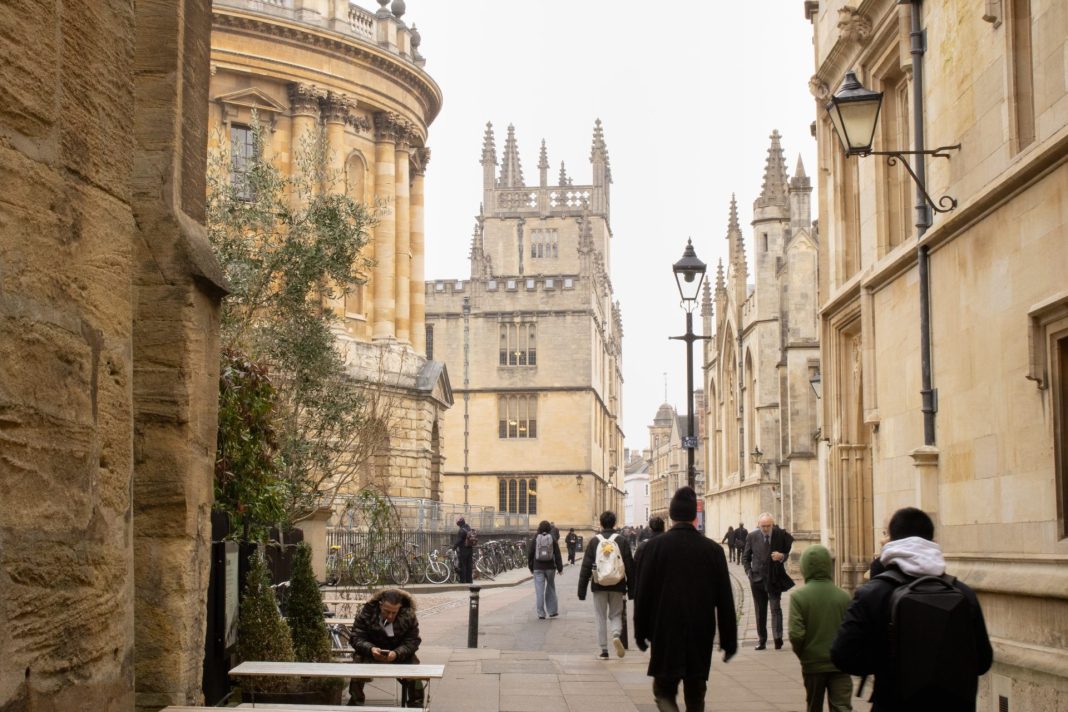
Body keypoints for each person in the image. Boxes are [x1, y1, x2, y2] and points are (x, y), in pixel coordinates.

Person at [831, 507, 993, 711]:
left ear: (892, 541)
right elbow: (983, 662)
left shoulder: (872, 593)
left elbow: (842, 656)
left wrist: (886, 662)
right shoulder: (963, 592)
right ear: (931, 540)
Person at [634, 487, 737, 712]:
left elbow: (643, 594)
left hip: (664, 630)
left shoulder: (653, 548)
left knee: (663, 691)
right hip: (699, 630)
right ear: (694, 516)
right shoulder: (713, 550)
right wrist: (729, 641)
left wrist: (640, 632)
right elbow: (725, 600)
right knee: (696, 694)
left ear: (671, 516)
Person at [788, 544, 852, 712]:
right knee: (842, 707)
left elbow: (796, 634)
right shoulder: (843, 596)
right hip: (840, 663)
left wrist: (803, 653)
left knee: (814, 706)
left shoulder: (799, 597)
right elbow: (851, 631)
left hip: (813, 663)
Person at [348, 589, 423, 707]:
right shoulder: (367, 613)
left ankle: (416, 704)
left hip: (398, 653)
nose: (390, 616)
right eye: (386, 611)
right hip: (371, 652)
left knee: (414, 666)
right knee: (358, 661)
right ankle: (355, 701)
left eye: (394, 612)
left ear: (400, 607)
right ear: (380, 605)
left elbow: (413, 641)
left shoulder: (408, 616)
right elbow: (356, 638)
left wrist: (397, 653)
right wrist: (370, 649)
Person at [577, 510, 635, 659]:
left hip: (599, 584)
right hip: (618, 584)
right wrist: (632, 589)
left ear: (601, 524)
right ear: (614, 523)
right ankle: (616, 634)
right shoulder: (621, 540)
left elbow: (586, 566)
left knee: (600, 616)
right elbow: (629, 565)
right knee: (616, 614)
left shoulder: (594, 541)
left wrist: (581, 590)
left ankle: (604, 650)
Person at [743, 512, 794, 650]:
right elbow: (746, 557)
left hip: (774, 578)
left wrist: (782, 556)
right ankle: (762, 640)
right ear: (758, 525)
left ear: (773, 524)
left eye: (768, 526)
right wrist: (749, 572)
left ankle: (778, 638)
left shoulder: (780, 535)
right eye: (763, 526)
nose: (765, 529)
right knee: (760, 611)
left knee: (775, 608)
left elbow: (788, 552)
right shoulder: (752, 536)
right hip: (757, 579)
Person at [528, 519, 564, 619]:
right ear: (549, 528)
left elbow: (530, 553)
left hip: (538, 567)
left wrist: (531, 567)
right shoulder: (552, 538)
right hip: (550, 568)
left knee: (539, 591)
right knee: (551, 588)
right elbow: (557, 554)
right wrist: (560, 568)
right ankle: (552, 611)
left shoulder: (535, 537)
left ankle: (541, 613)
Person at [453, 516, 473, 584]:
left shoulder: (461, 530)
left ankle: (463, 581)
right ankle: (469, 580)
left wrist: (454, 547)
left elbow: (459, 540)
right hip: (470, 549)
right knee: (469, 565)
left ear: (459, 523)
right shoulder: (468, 528)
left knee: (462, 565)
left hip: (463, 549)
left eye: (457, 522)